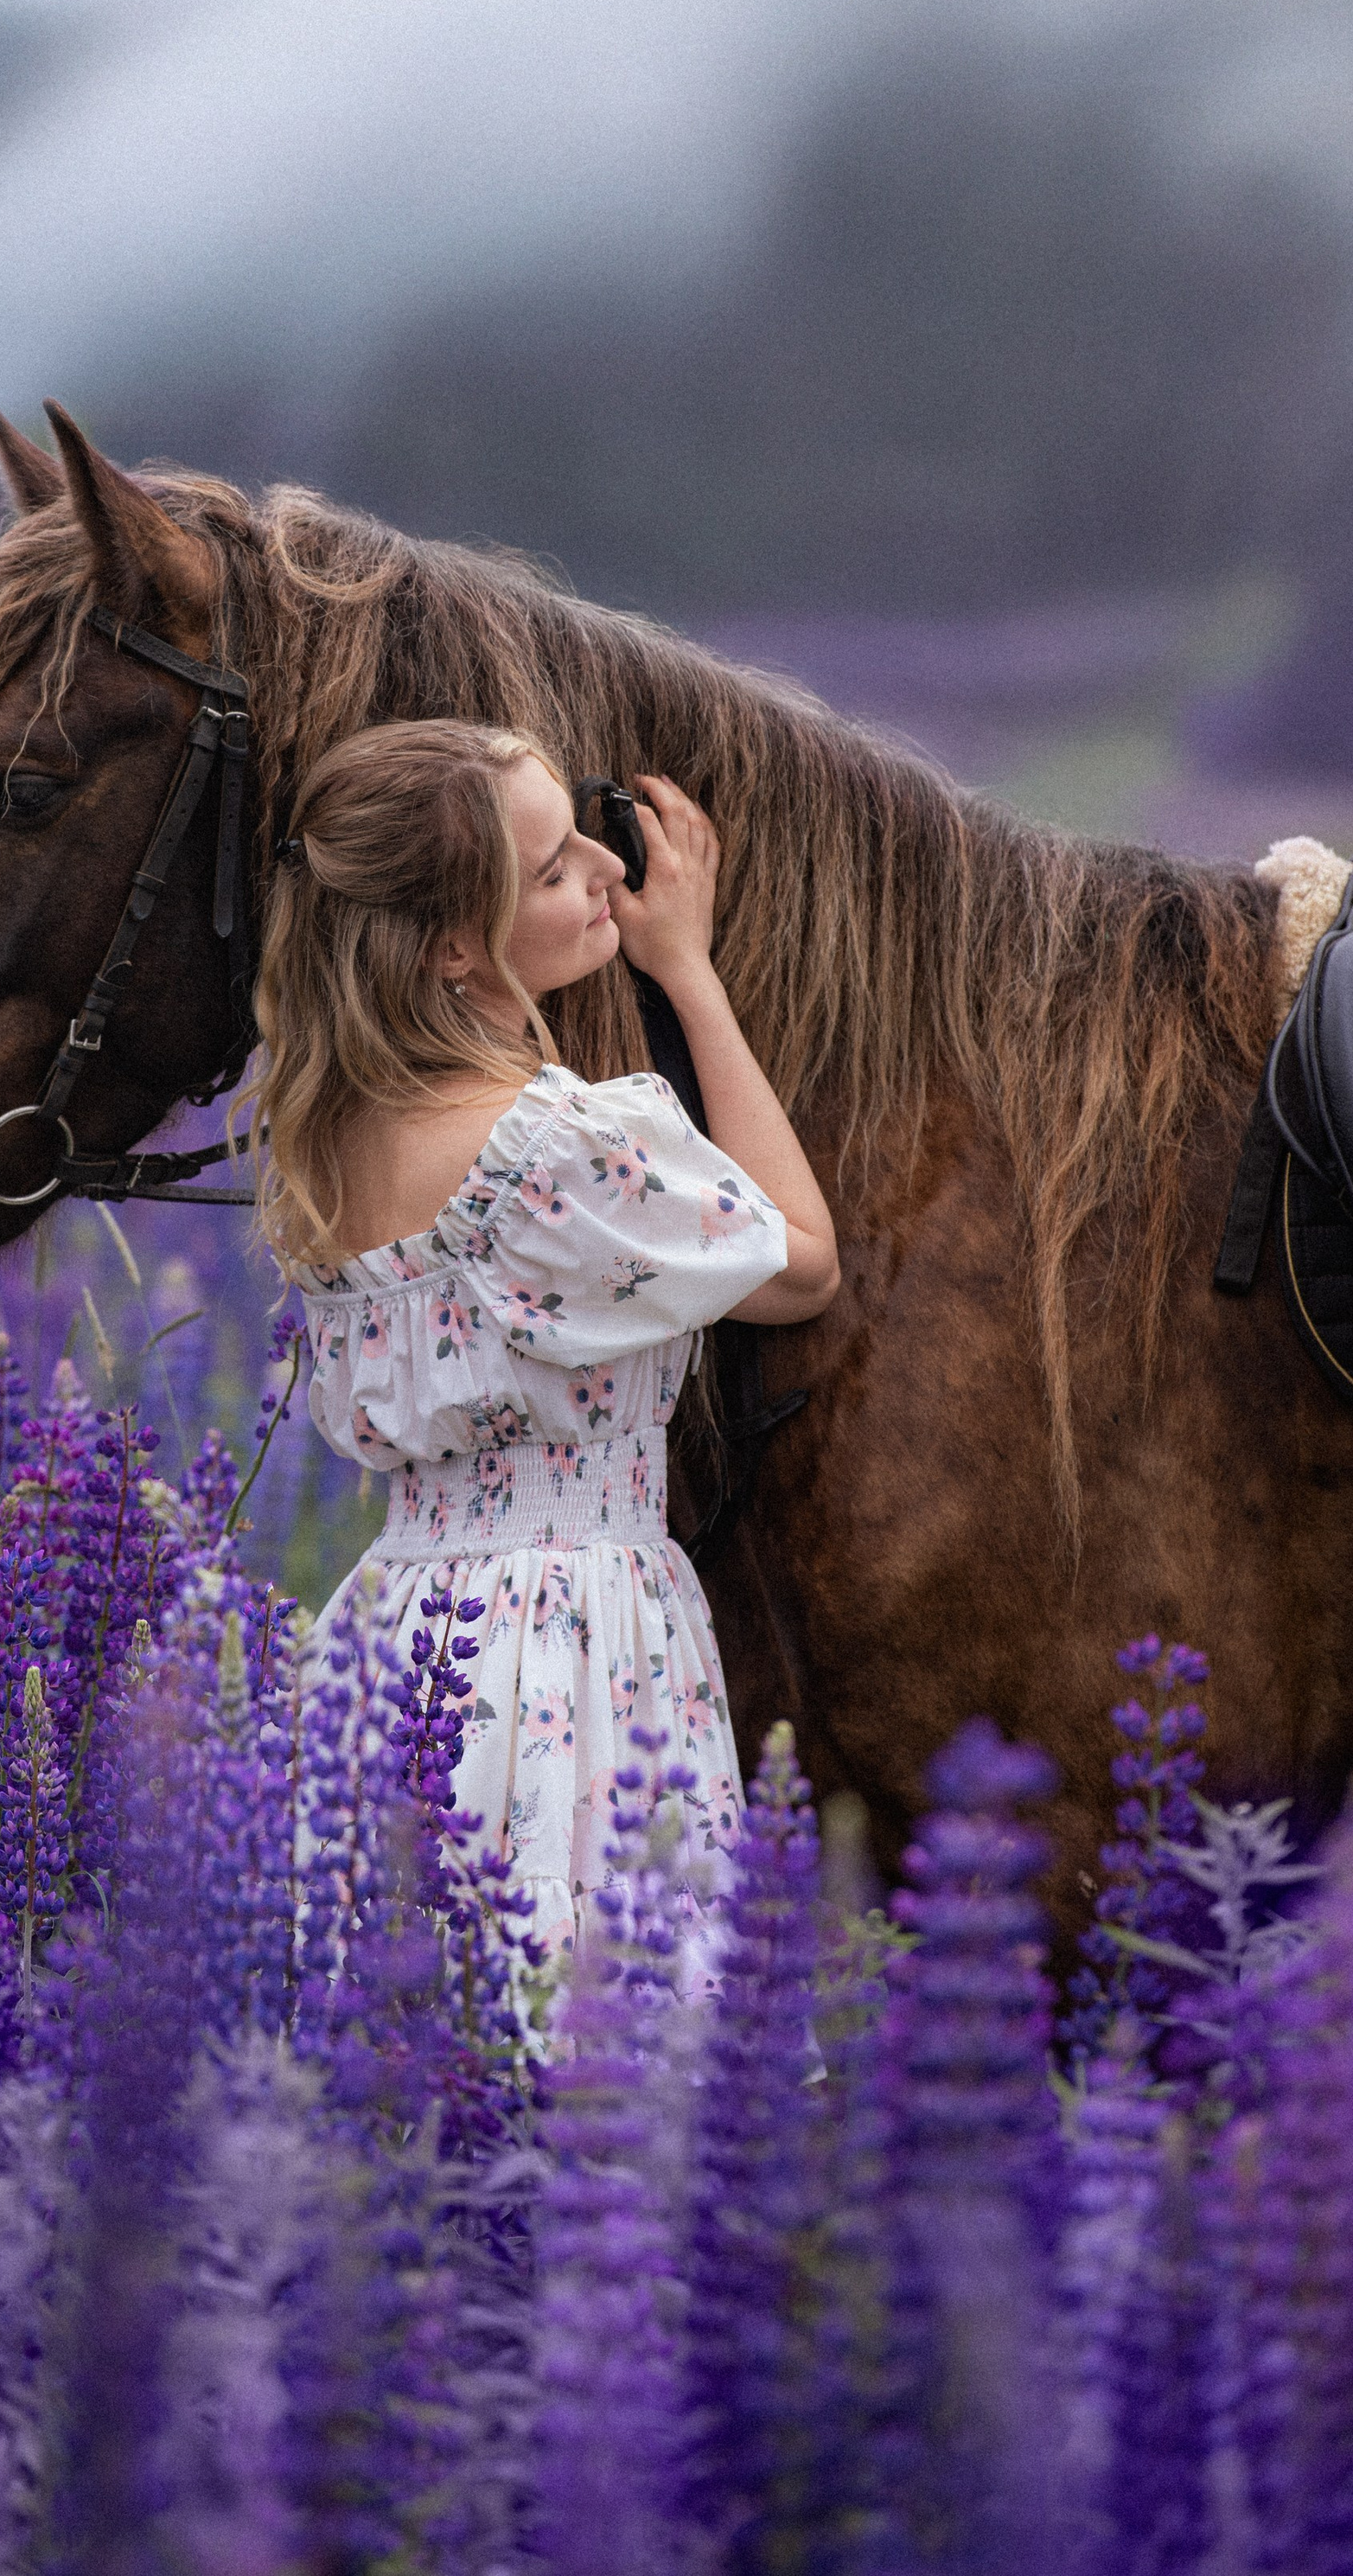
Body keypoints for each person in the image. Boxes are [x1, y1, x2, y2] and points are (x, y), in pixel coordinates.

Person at [253, 718, 839, 1962]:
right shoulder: (554, 1148)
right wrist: (690, 971)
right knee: (598, 2037)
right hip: (576, 1643)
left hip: (388, 1645)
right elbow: (800, 1264)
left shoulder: (324, 1143)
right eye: (556, 866)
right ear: (459, 945)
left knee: (390, 2034)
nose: (610, 872)